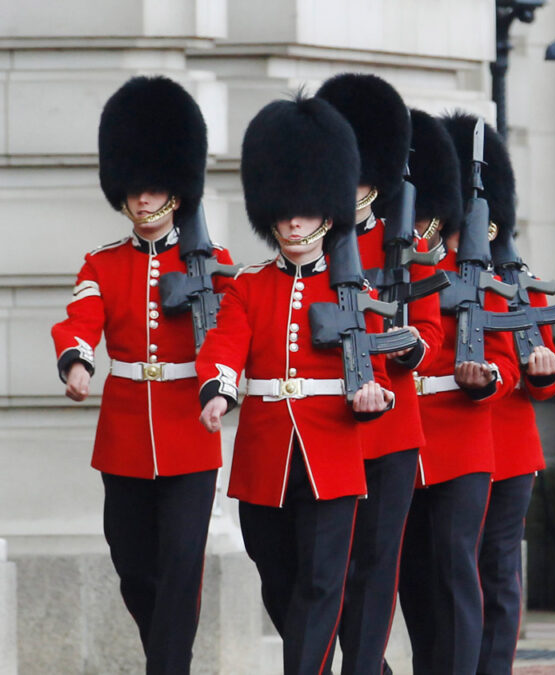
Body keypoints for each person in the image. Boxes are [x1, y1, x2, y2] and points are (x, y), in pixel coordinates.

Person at [195, 94, 395, 675]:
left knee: (318, 584)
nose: (292, 222)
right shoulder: (250, 286)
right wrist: (217, 390)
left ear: (327, 214)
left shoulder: (354, 292)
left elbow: (377, 375)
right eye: (283, 212)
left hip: (330, 454)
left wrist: (372, 396)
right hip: (265, 457)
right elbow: (225, 346)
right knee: (280, 579)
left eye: (304, 212)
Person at [49, 75, 229, 674]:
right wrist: (77, 360)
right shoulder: (101, 262)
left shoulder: (214, 262)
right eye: (135, 191)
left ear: (177, 192)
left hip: (188, 426)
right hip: (125, 433)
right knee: (134, 568)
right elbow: (82, 317)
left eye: (155, 190)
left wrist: (220, 387)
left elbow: (229, 334)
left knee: (181, 567)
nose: (144, 201)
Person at [315, 73, 443, 674]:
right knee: (314, 573)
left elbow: (433, 334)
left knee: (375, 566)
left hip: (391, 431)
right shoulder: (307, 245)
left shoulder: (406, 248)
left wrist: (406, 346)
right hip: (324, 426)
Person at [396, 110, 520, 675]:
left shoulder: (478, 270)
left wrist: (490, 379)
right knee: (411, 578)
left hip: (462, 439)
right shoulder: (392, 270)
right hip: (400, 438)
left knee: (459, 570)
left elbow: (508, 361)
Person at [473, 120, 555, 675]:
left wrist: (543, 373)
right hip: (450, 447)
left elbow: (545, 372)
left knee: (499, 571)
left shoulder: (518, 277)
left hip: (508, 448)